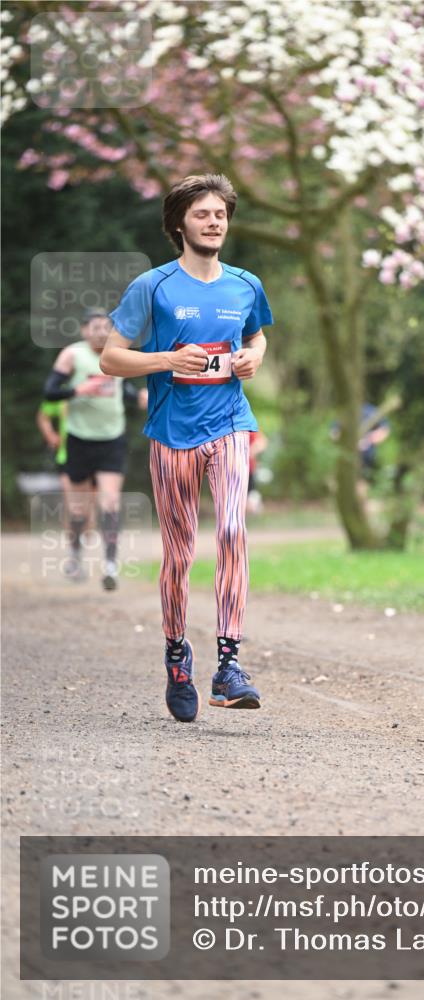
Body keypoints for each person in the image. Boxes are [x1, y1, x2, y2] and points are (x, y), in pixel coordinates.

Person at [99, 173, 273, 724]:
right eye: (203, 214)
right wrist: (166, 360)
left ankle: (229, 665)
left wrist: (255, 357)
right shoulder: (152, 287)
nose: (214, 221)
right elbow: (110, 357)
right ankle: (177, 653)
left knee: (231, 529)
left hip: (229, 425)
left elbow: (257, 334)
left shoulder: (245, 284)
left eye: (220, 213)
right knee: (178, 553)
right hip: (172, 434)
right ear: (180, 224)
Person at [43, 309, 147, 589]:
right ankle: (76, 553)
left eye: (107, 328)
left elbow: (123, 390)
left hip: (111, 439)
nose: (102, 332)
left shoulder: (116, 354)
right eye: (96, 327)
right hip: (79, 439)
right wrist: (80, 390)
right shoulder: (72, 355)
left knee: (110, 501)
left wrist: (141, 398)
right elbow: (50, 391)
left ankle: (110, 566)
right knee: (78, 510)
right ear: (84, 330)